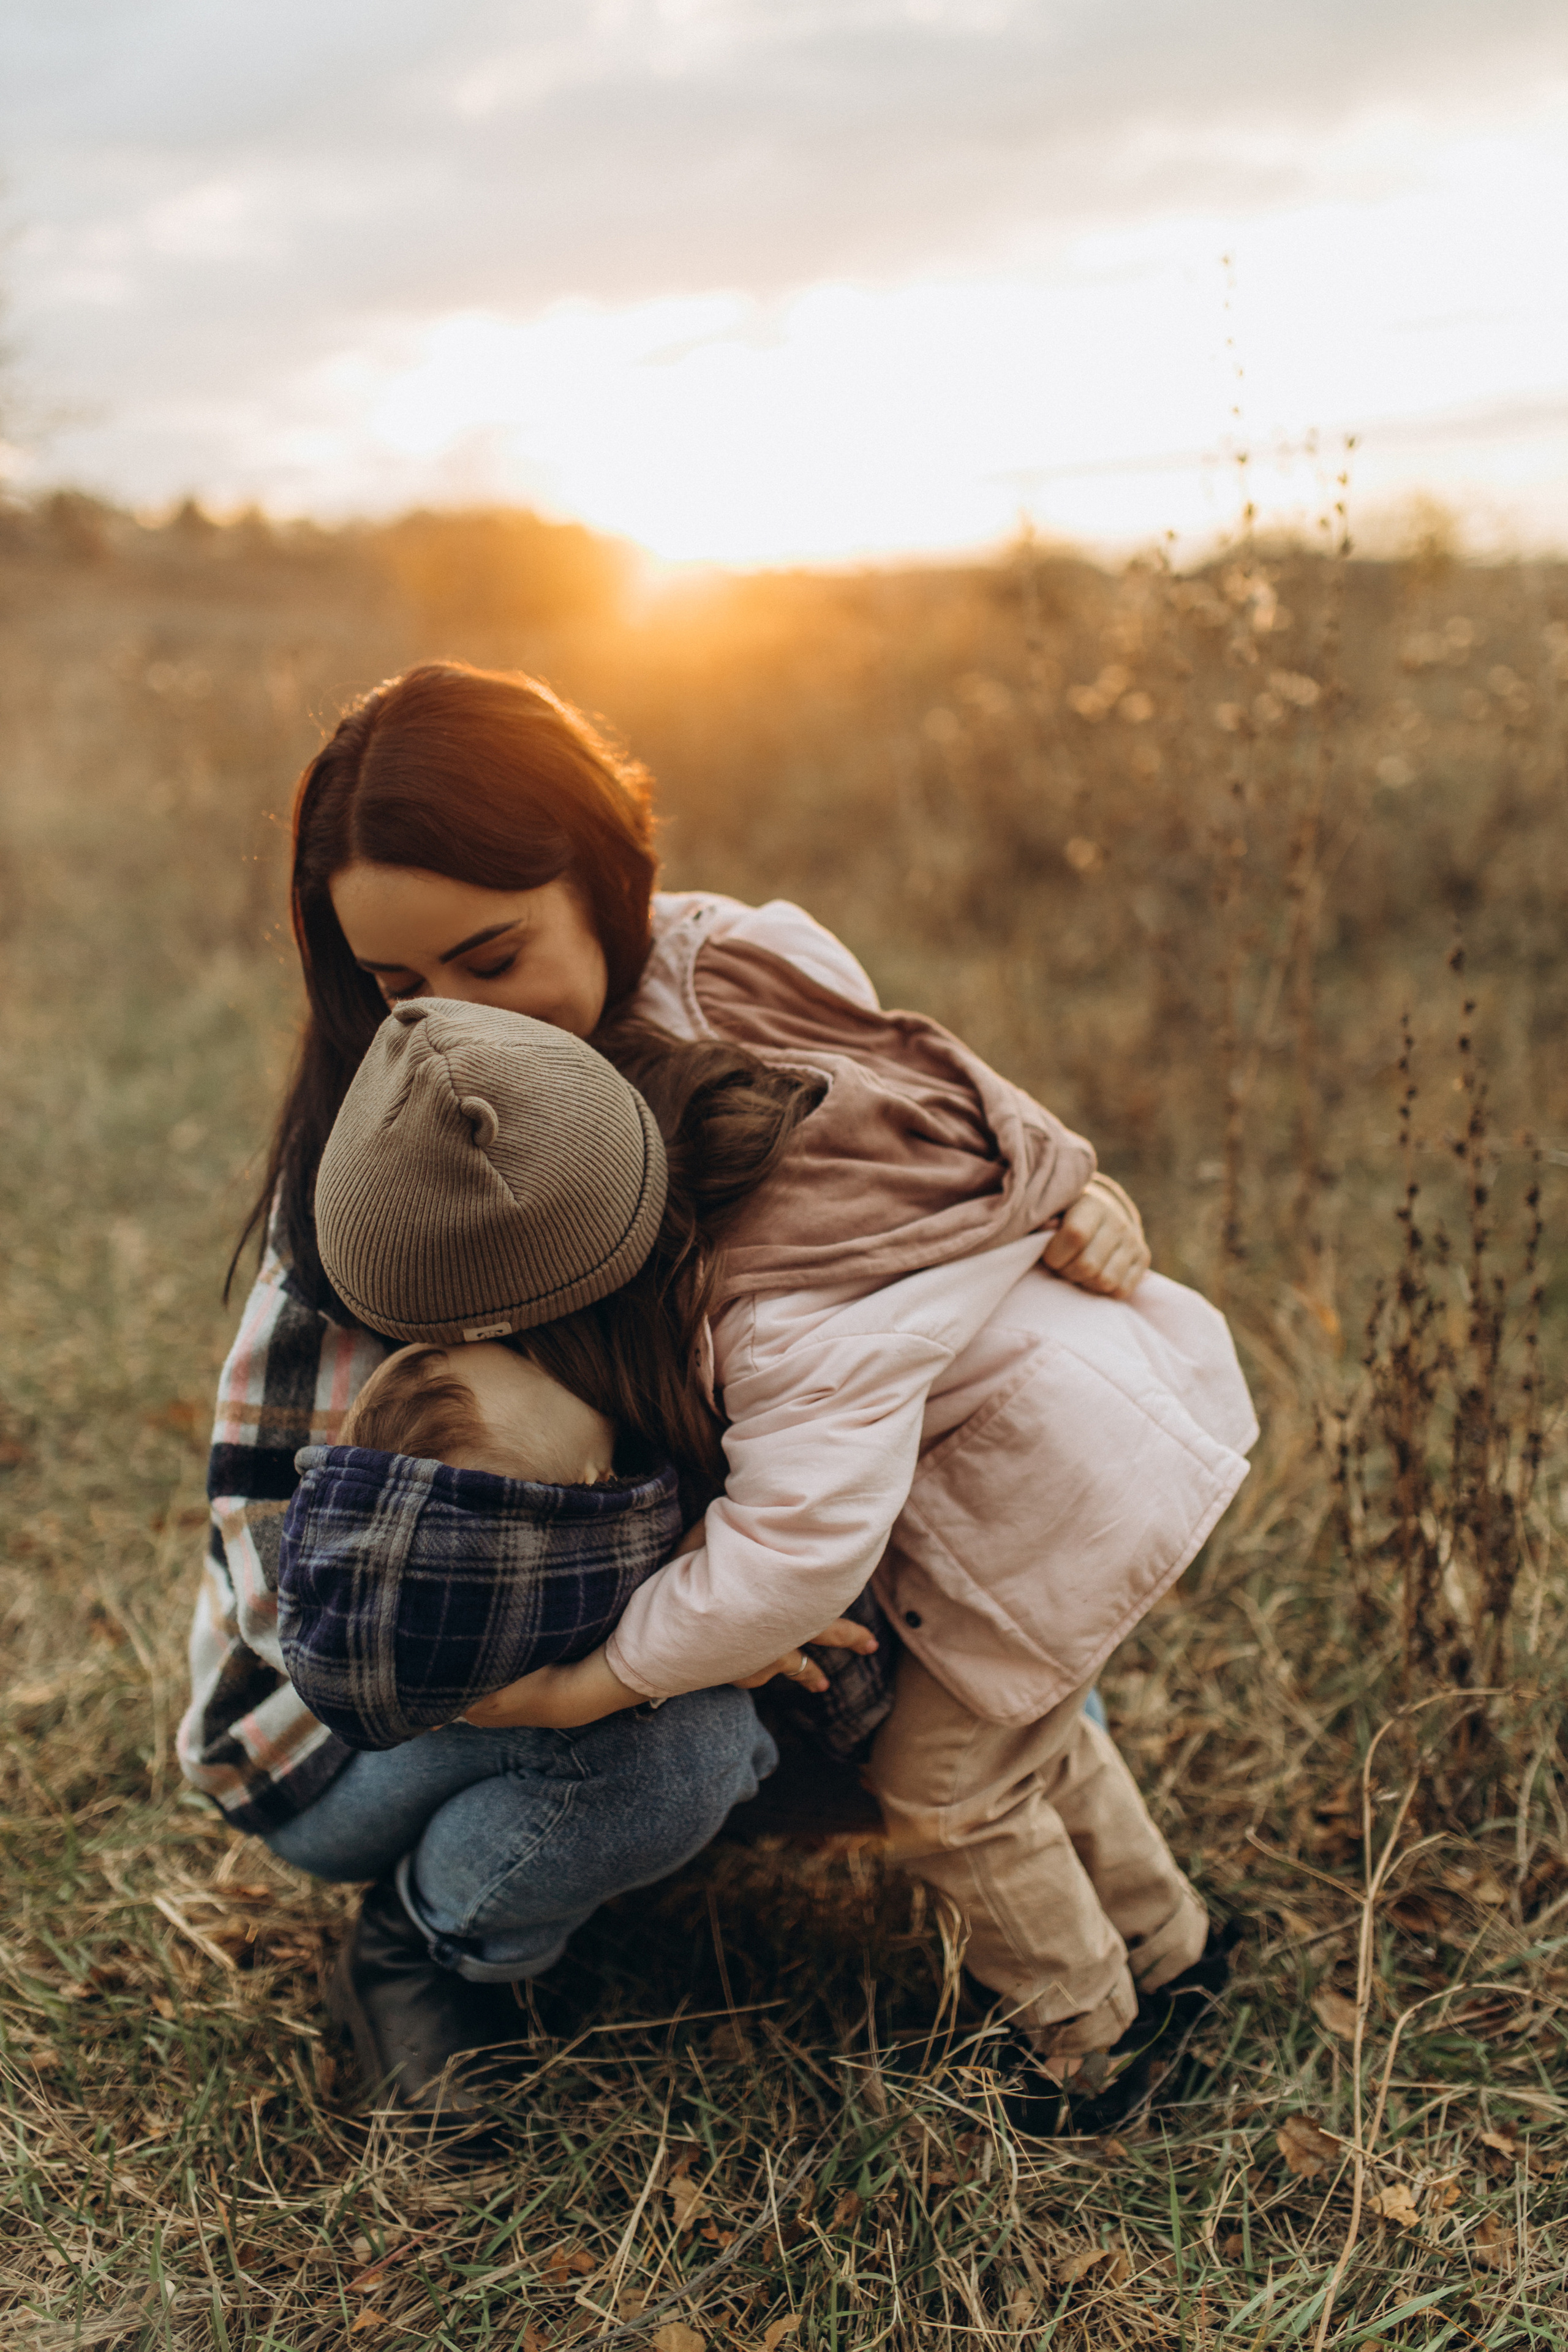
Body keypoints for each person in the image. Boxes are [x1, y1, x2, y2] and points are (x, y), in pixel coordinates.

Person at [176, 660, 1237, 2132]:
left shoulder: (717, 1006)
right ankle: (429, 1941)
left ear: (609, 886)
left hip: (665, 1603)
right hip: (370, 1698)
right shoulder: (395, 1170)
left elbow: (910, 1100)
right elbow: (303, 1587)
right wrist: (627, 1662)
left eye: (492, 959)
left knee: (978, 1644)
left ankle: (1155, 1951)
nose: (446, 1023)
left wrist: (1053, 1185)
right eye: (395, 985)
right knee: (686, 1738)